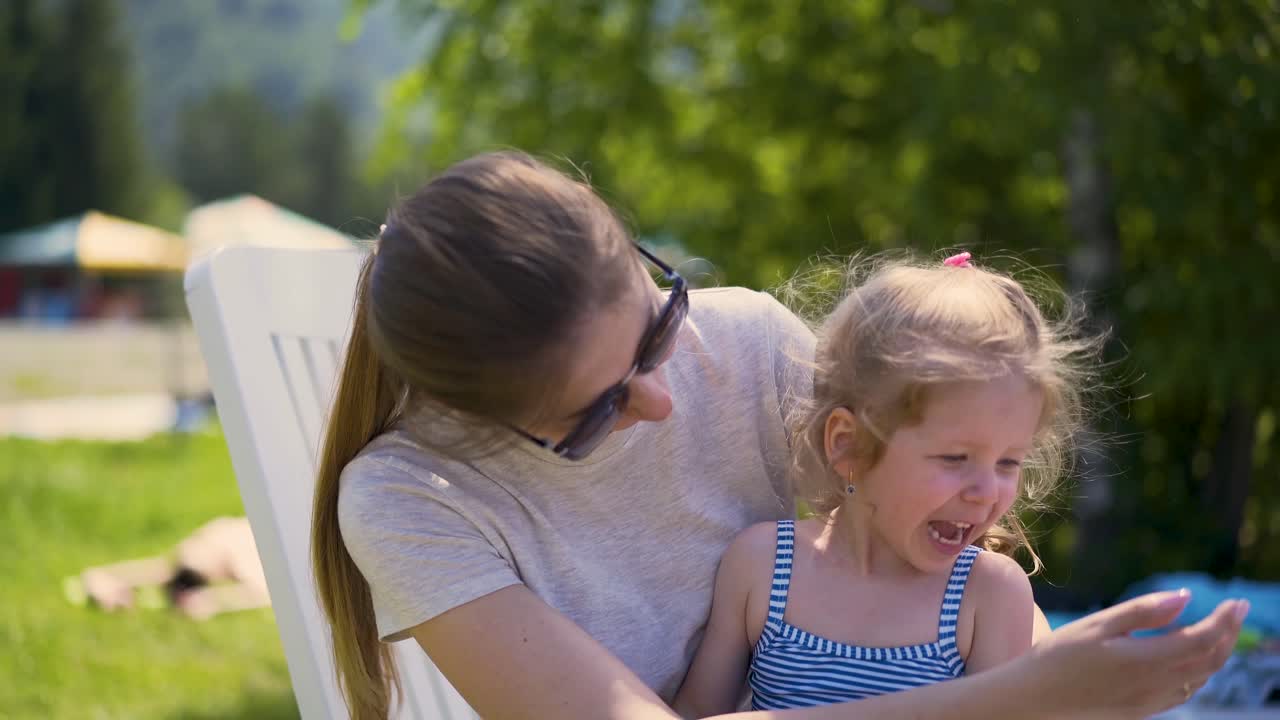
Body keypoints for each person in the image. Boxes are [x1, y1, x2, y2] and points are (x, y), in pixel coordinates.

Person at [311, 151, 1247, 720]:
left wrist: (1066, 667)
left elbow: (920, 505)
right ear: (484, 419)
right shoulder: (412, 501)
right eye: (599, 409)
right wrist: (1012, 699)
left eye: (657, 327)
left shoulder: (744, 342)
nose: (664, 401)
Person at [673, 251, 1091, 715]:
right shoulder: (764, 566)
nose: (987, 491)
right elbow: (695, 716)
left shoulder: (988, 594)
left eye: (1009, 462)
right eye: (955, 458)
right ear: (848, 445)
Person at [65, 515, 270, 620]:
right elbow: (165, 568)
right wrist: (106, 578)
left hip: (225, 550)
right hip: (214, 547)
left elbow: (266, 595)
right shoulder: (213, 540)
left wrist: (215, 601)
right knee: (184, 565)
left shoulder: (240, 549)